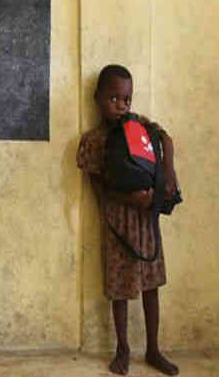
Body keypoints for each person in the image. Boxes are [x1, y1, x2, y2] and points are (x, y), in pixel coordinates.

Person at [77, 64, 179, 376]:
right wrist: (129, 199)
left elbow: (166, 140)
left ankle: (153, 348)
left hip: (146, 222)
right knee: (120, 289)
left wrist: (168, 174)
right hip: (118, 224)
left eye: (127, 99)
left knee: (151, 285)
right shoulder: (94, 140)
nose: (121, 106)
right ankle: (122, 348)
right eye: (113, 98)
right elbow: (98, 188)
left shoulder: (140, 126)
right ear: (97, 99)